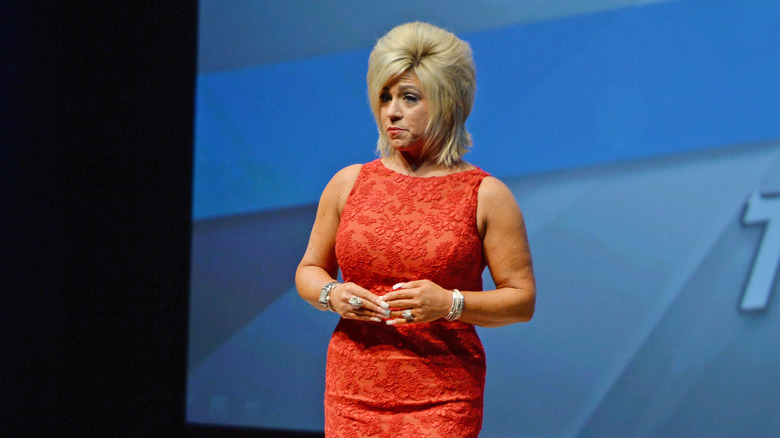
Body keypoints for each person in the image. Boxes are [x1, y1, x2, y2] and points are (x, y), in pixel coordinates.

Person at [295, 21, 535, 437]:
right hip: (353, 390)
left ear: (447, 103)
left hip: (444, 394)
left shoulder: (486, 195)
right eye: (385, 96)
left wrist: (450, 303)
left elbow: (521, 300)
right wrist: (333, 294)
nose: (391, 110)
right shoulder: (348, 183)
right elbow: (308, 271)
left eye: (409, 97)